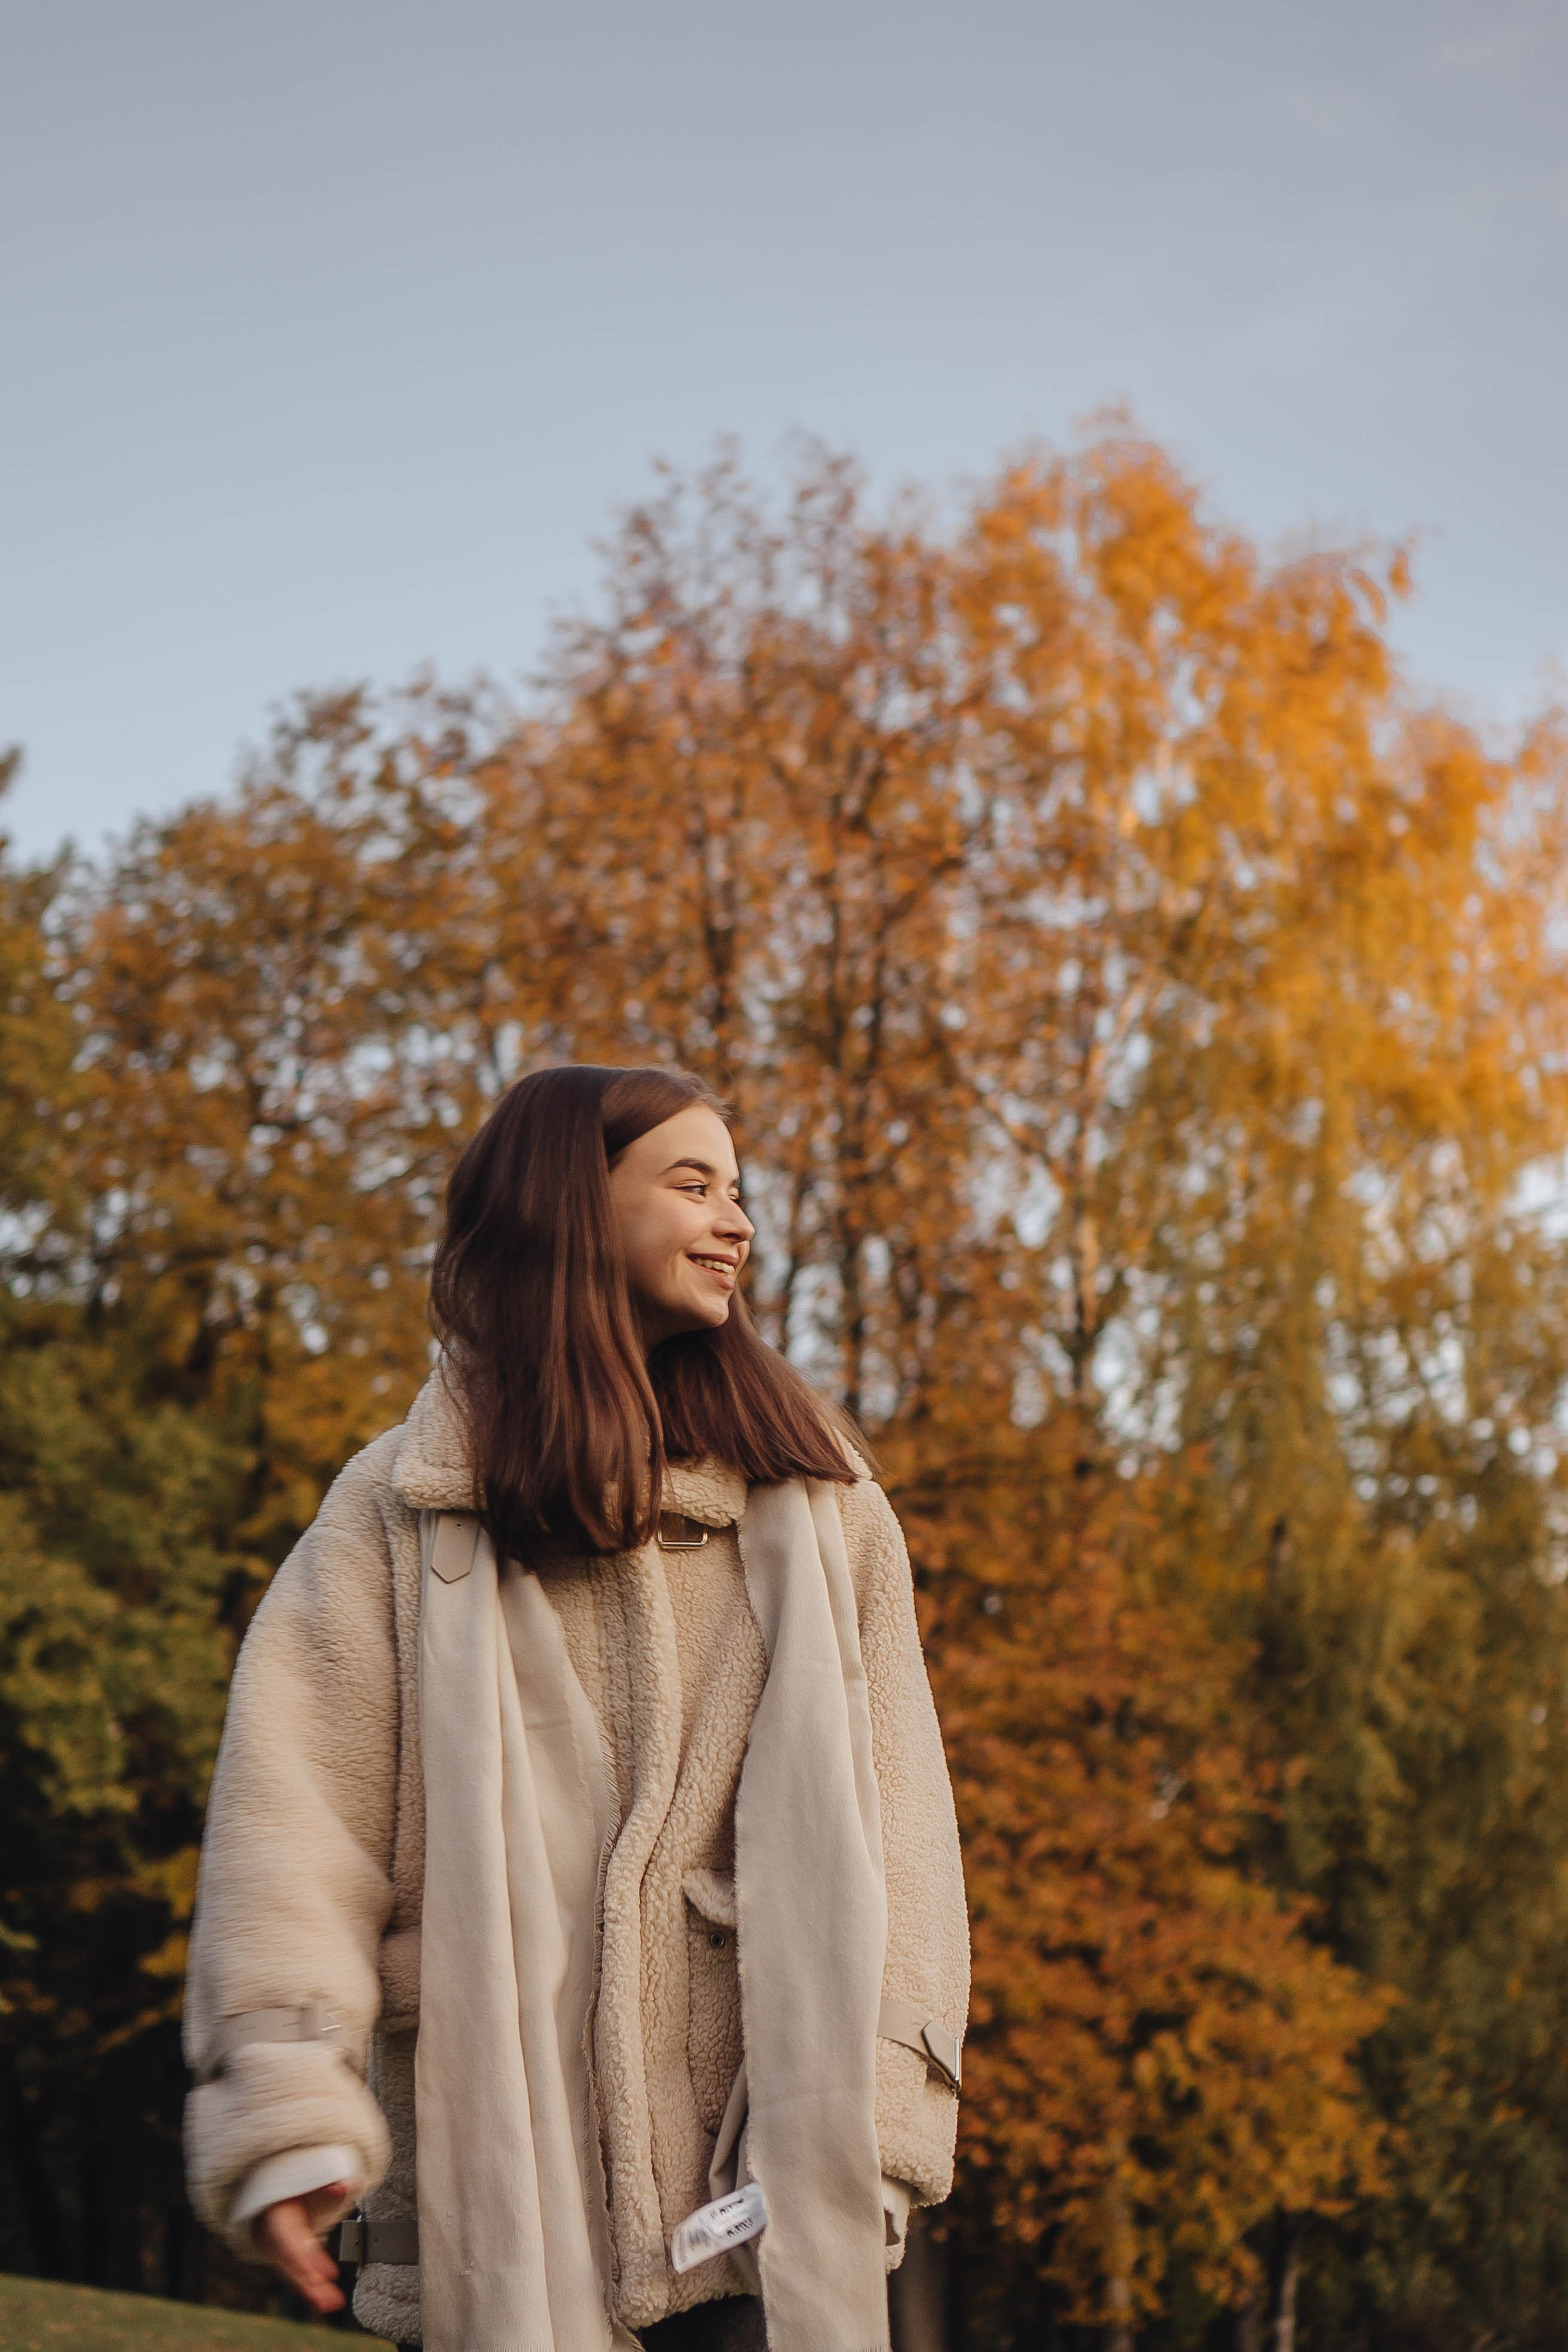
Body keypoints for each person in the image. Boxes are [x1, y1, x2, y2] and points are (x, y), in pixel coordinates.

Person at [183, 1064, 968, 2352]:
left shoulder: (825, 1509)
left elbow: (904, 1839)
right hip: (487, 2202)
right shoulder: (397, 1512)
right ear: (572, 1205)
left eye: (739, 1192)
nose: (736, 1223)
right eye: (691, 1184)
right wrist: (289, 2109)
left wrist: (875, 2133)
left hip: (758, 2211)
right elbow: (294, 1832)